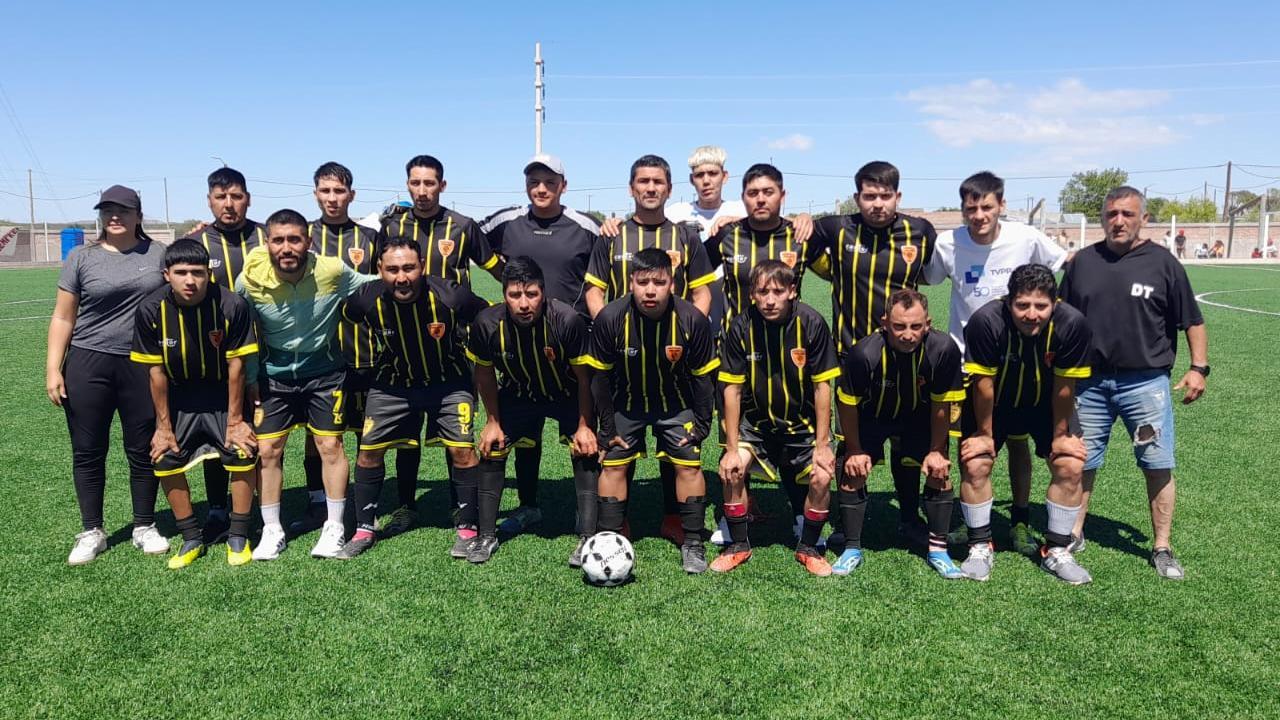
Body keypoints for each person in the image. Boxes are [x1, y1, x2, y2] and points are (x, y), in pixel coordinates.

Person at [1058, 186, 1207, 579]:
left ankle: (1162, 546)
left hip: (1145, 383)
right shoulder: (1083, 262)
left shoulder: (1164, 263)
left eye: (1127, 214)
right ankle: (1073, 533)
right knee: (1080, 461)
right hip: (1088, 383)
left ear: (1144, 218)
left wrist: (1199, 368)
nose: (1119, 221)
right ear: (1102, 218)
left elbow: (1192, 320)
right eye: (1112, 214)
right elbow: (1059, 318)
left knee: (1157, 464)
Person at [922, 171, 1067, 556]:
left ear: (1001, 205)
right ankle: (966, 517)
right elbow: (928, 278)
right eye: (971, 208)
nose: (979, 215)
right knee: (969, 443)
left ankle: (1019, 519)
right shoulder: (948, 243)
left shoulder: (1025, 237)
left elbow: (1063, 265)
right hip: (967, 361)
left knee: (1018, 443)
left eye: (987, 207)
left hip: (1020, 361)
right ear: (962, 208)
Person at [584, 154, 717, 545]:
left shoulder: (686, 237)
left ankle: (675, 520)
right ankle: (616, 524)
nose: (650, 188)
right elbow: (594, 290)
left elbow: (703, 291)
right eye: (643, 181)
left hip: (675, 355)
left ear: (669, 189)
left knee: (677, 443)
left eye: (658, 181)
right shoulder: (612, 235)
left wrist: (687, 331)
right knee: (619, 441)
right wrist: (612, 329)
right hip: (623, 355)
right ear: (631, 188)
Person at [235, 208, 379, 560]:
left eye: (294, 240)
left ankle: (334, 526)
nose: (286, 248)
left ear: (309, 242)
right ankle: (272, 530)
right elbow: (242, 331)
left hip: (325, 373)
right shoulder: (249, 279)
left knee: (329, 445)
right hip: (273, 377)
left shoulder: (331, 270)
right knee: (268, 450)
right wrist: (250, 378)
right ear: (267, 243)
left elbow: (372, 283)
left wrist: (411, 275)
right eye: (278, 240)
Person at [335, 236, 489, 560]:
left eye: (409, 268)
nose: (401, 277)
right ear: (380, 269)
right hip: (392, 383)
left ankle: (468, 526)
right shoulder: (366, 298)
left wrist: (476, 353)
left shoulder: (450, 295)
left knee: (462, 451)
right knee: (368, 453)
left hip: (448, 382)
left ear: (423, 267)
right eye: (393, 270)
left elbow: (487, 316)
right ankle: (364, 529)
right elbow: (341, 317)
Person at [810, 161, 939, 547]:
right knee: (850, 441)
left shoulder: (921, 232)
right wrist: (799, 217)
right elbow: (795, 238)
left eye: (885, 196)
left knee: (907, 442)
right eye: (869, 196)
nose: (877, 204)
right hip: (851, 358)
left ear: (898, 196)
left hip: (907, 356)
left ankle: (909, 517)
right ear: (857, 197)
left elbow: (933, 273)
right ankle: (846, 523)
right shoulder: (836, 229)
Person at [478, 154, 601, 538]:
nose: (541, 188)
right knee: (521, 434)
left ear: (563, 185)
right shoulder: (507, 221)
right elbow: (467, 238)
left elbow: (611, 262)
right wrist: (505, 277)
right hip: (520, 350)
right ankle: (526, 506)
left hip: (569, 345)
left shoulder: (585, 226)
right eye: (534, 181)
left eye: (549, 181)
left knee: (584, 439)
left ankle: (587, 522)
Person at [48, 185, 169, 565]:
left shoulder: (158, 254)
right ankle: (92, 531)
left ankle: (144, 525)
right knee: (88, 450)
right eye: (107, 210)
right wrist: (53, 368)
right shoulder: (81, 257)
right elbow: (63, 316)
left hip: (141, 363)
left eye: (123, 210)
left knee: (142, 448)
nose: (114, 216)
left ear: (138, 216)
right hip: (89, 362)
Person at [704, 163, 824, 546]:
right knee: (735, 438)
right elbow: (692, 272)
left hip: (792, 358)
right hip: (738, 354)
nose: (760, 199)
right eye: (753, 193)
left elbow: (840, 265)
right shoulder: (727, 235)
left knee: (793, 437)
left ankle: (801, 516)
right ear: (742, 198)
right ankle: (735, 517)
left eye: (768, 192)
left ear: (782, 196)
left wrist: (811, 220)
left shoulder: (800, 235)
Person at [290, 162, 407, 535]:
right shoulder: (303, 236)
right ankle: (317, 501)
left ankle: (366, 503)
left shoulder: (371, 236)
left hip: (368, 352)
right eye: (325, 191)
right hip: (319, 357)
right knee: (319, 436)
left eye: (339, 191)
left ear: (351, 195)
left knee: (369, 434)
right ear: (315, 194)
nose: (332, 198)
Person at [957, 264, 1093, 583]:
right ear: (1008, 301)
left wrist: (1061, 435)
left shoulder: (1073, 324)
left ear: (1054, 303)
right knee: (976, 462)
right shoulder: (985, 321)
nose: (1032, 314)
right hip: (995, 403)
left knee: (1070, 464)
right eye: (1022, 305)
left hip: (1045, 404)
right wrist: (984, 434)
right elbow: (983, 385)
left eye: (1041, 306)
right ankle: (980, 545)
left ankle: (1056, 550)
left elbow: (1064, 387)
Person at [130, 239, 260, 568]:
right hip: (180, 396)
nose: (190, 280)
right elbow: (155, 372)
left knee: (242, 450)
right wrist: (163, 427)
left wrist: (236, 421)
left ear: (209, 274)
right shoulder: (150, 309)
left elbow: (237, 367)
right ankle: (191, 538)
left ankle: (238, 535)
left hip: (221, 393)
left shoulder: (231, 305)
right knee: (164, 457)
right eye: (181, 273)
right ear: (167, 275)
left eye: (198, 273)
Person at [468, 257, 600, 565]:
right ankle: (488, 534)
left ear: (543, 293)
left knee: (585, 447)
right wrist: (492, 421)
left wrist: (584, 425)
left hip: (566, 393)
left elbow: (585, 379)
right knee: (493, 445)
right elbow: (484, 373)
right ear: (504, 294)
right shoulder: (486, 323)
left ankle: (587, 534)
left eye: (532, 294)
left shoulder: (566, 320)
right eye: (515, 295)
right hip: (519, 393)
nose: (524, 304)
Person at [715, 260, 840, 575]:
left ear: (792, 291)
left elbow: (822, 387)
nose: (770, 300)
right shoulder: (740, 327)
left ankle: (809, 547)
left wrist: (823, 445)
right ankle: (738, 545)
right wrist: (731, 448)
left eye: (778, 291)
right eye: (762, 292)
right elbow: (731, 389)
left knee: (822, 475)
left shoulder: (811, 323)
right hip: (756, 425)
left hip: (803, 426)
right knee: (732, 470)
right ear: (752, 294)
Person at [834, 289, 965, 578]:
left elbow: (942, 405)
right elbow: (847, 405)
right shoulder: (863, 353)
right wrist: (854, 450)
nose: (908, 334)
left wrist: (937, 450)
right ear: (884, 323)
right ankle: (851, 546)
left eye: (916, 326)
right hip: (872, 415)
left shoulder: (943, 349)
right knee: (851, 468)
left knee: (939, 470)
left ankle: (937, 550)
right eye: (899, 326)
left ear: (928, 324)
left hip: (919, 416)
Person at [184, 167, 266, 542]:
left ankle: (261, 508)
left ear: (248, 198)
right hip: (211, 359)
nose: (228, 204)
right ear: (209, 201)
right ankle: (218, 509)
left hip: (263, 355)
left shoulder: (267, 237)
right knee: (215, 436)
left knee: (261, 432)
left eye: (236, 196)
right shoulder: (197, 242)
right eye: (221, 197)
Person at [378, 154, 501, 287]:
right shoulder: (391, 226)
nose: (421, 192)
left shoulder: (463, 226)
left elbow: (497, 270)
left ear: (442, 186)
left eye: (429, 183)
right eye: (415, 183)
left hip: (454, 301)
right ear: (407, 185)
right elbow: (378, 272)